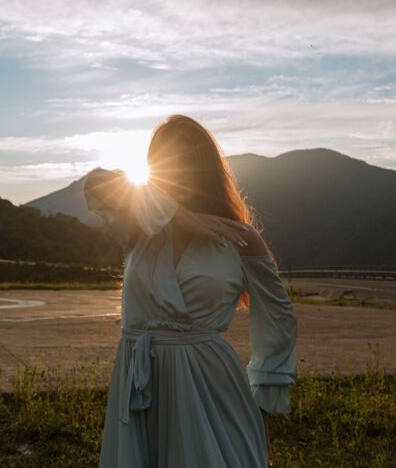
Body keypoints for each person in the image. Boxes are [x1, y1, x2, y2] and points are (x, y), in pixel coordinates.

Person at [84, 114, 297, 467]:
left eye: (184, 163)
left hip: (212, 391)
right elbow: (96, 184)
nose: (175, 174)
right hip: (141, 391)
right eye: (164, 162)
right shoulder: (139, 226)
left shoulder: (240, 238)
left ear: (203, 170)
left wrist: (263, 402)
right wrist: (181, 217)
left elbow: (278, 321)